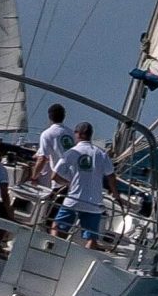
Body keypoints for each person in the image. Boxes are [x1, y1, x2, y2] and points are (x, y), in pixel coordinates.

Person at [52, 122, 120, 251]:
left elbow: (54, 176)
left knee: (56, 226)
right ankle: (86, 259)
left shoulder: (71, 152)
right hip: (94, 203)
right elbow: (111, 176)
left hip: (74, 199)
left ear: (79, 134)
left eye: (75, 132)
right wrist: (116, 195)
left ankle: (53, 251)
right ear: (90, 135)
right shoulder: (101, 153)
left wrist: (68, 183)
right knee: (91, 239)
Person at [31, 103, 72, 185]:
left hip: (59, 180)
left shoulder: (47, 134)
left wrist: (34, 177)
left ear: (49, 117)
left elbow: (42, 159)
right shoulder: (72, 133)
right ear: (64, 116)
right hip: (73, 178)